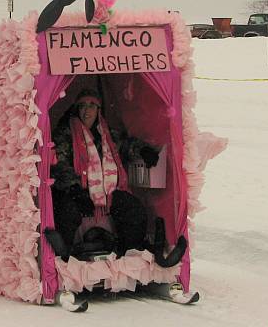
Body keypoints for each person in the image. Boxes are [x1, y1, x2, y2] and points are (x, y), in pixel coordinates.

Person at [45, 89, 186, 266]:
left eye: (91, 106)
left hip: (108, 192)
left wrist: (143, 150)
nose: (86, 111)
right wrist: (74, 188)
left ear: (98, 110)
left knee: (133, 209)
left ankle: (130, 255)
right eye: (82, 106)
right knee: (67, 212)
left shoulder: (106, 133)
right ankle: (65, 258)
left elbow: (126, 144)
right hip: (76, 191)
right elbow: (59, 164)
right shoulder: (65, 134)